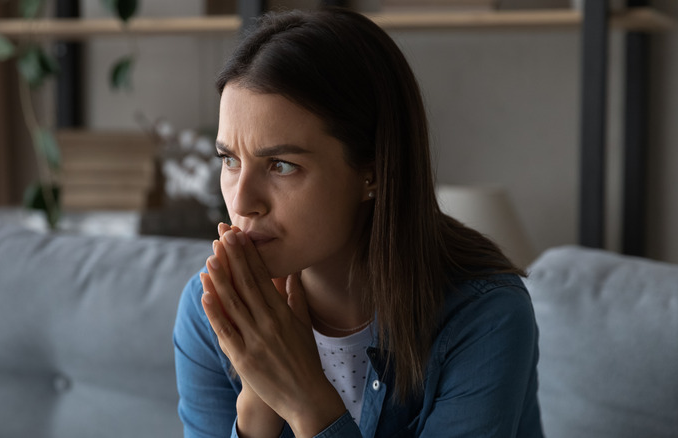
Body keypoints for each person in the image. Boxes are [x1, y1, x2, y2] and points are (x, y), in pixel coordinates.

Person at [173, 7, 543, 438]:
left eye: (281, 165)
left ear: (372, 171)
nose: (241, 201)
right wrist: (257, 407)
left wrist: (305, 402)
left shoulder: (483, 315)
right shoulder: (209, 311)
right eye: (230, 160)